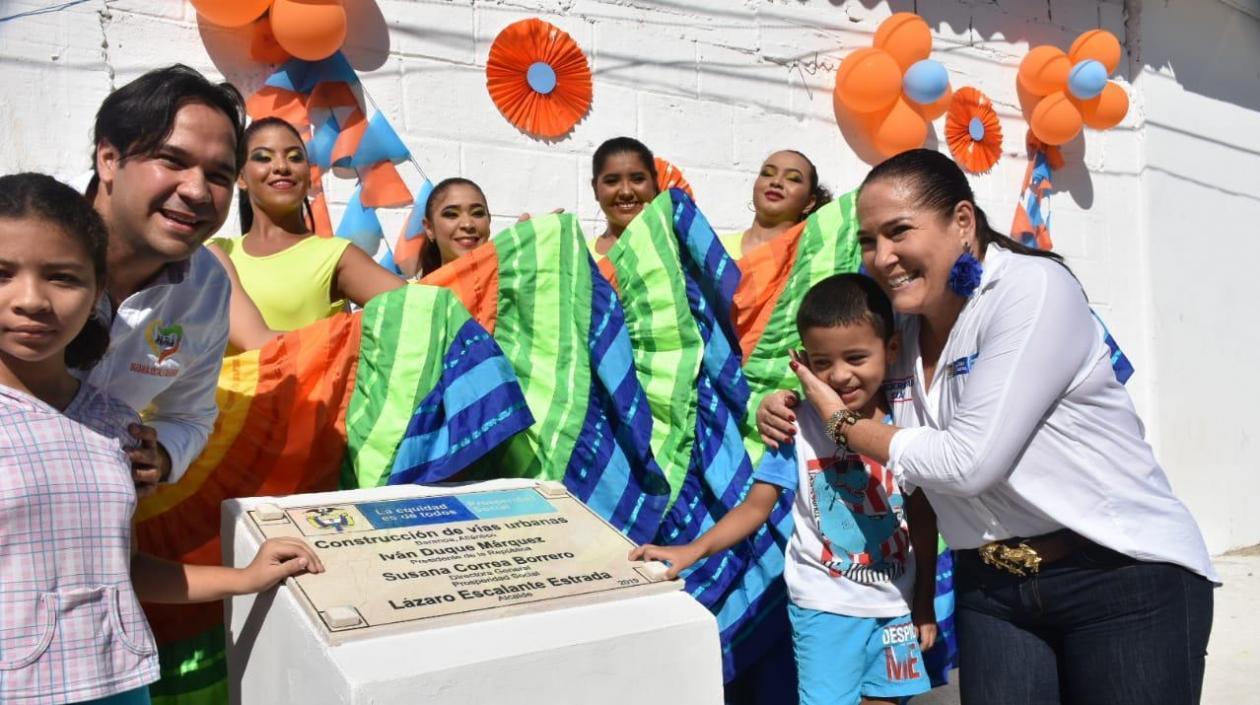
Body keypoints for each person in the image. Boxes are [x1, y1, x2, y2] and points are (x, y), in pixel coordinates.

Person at [756, 149, 1217, 705]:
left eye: (899, 231)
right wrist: (786, 404)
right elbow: (848, 370)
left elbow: (967, 462)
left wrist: (839, 422)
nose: (882, 257)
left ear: (963, 223)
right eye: (869, 240)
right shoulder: (900, 323)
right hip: (992, 585)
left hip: (1119, 575)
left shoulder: (1031, 290)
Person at [0, 173, 324, 705]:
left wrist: (243, 578)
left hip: (120, 686)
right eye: (3, 273)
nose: (31, 300)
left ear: (98, 293)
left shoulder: (114, 425)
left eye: (62, 278)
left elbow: (118, 570)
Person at [633, 274, 937, 705]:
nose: (839, 375)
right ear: (803, 362)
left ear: (890, 349)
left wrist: (922, 603)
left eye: (855, 357)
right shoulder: (798, 426)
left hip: (895, 607)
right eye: (821, 362)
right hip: (824, 607)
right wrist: (693, 550)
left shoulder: (908, 427)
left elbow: (924, 522)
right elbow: (757, 506)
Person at [82, 64, 247, 490]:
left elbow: (188, 415)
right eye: (172, 160)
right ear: (109, 159)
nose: (196, 191)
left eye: (218, 176)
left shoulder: (206, 289)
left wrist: (162, 456)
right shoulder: (17, 240)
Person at [208, 117, 403, 336]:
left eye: (295, 157)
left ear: (309, 177)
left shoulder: (334, 255)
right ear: (241, 178)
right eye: (263, 158)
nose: (282, 167)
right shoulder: (216, 253)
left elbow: (420, 309)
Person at [721, 150, 832, 259]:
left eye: (793, 178)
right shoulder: (718, 251)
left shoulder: (812, 258)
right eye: (767, 173)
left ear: (809, 202)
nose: (776, 182)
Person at [588, 137, 660, 257]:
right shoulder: (583, 259)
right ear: (596, 189)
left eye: (638, 179)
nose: (626, 192)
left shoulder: (677, 248)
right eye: (612, 181)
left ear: (654, 183)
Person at [417, 177, 492, 277]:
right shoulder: (414, 291)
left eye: (477, 213)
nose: (468, 224)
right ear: (429, 228)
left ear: (489, 221)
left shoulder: (512, 286)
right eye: (451, 214)